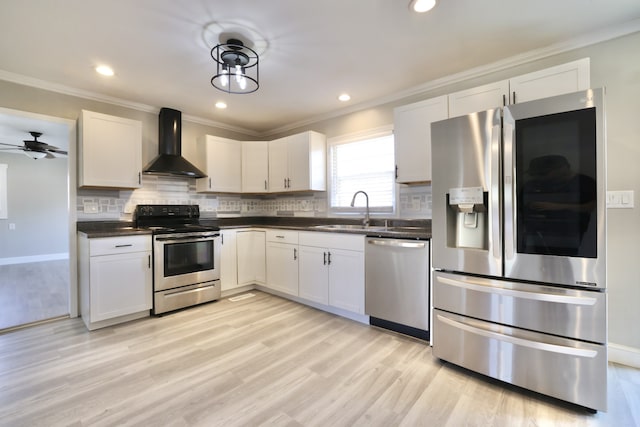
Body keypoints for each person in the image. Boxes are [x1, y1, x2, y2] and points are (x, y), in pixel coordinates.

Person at [519, 154, 596, 256]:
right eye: (536, 174)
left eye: (543, 173)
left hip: (571, 237)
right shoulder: (532, 184)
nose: (539, 177)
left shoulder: (585, 182)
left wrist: (557, 206)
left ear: (562, 168)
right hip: (538, 237)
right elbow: (518, 206)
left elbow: (592, 207)